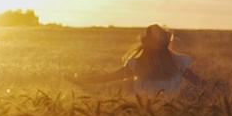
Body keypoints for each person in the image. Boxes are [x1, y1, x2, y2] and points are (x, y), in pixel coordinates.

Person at [69, 24, 204, 94]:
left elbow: (108, 77)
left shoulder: (139, 65)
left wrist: (81, 80)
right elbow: (201, 83)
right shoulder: (177, 64)